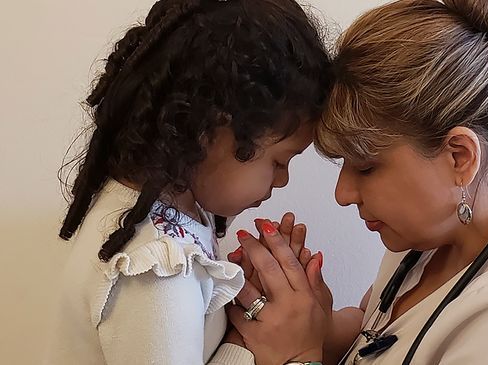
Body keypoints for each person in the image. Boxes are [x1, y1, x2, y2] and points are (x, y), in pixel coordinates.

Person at [224, 0, 488, 364]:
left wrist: (298, 356)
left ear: (459, 156)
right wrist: (314, 323)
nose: (342, 194)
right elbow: (385, 333)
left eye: (366, 167)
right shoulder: (460, 216)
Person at [45, 0, 330, 363]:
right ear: (210, 132)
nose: (283, 180)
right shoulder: (156, 273)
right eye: (279, 161)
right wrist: (252, 348)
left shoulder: (171, 214)